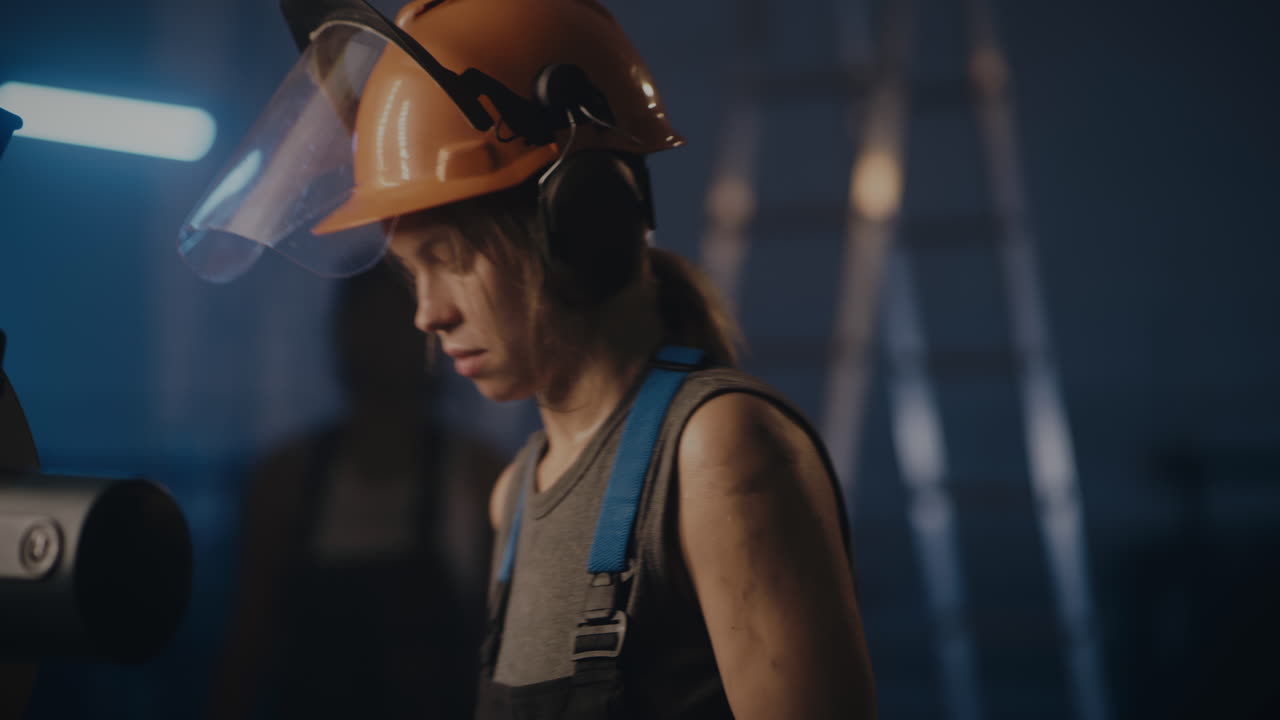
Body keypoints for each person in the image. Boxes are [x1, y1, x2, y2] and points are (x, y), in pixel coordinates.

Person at [184, 1, 876, 717]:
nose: (427, 314)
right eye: (411, 274)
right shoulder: (514, 494)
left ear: (580, 219)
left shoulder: (720, 455)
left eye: (448, 260)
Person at [208, 261, 501, 720]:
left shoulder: (479, 475)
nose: (379, 335)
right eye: (365, 314)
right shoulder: (287, 476)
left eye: (395, 314)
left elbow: (498, 644)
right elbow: (248, 639)